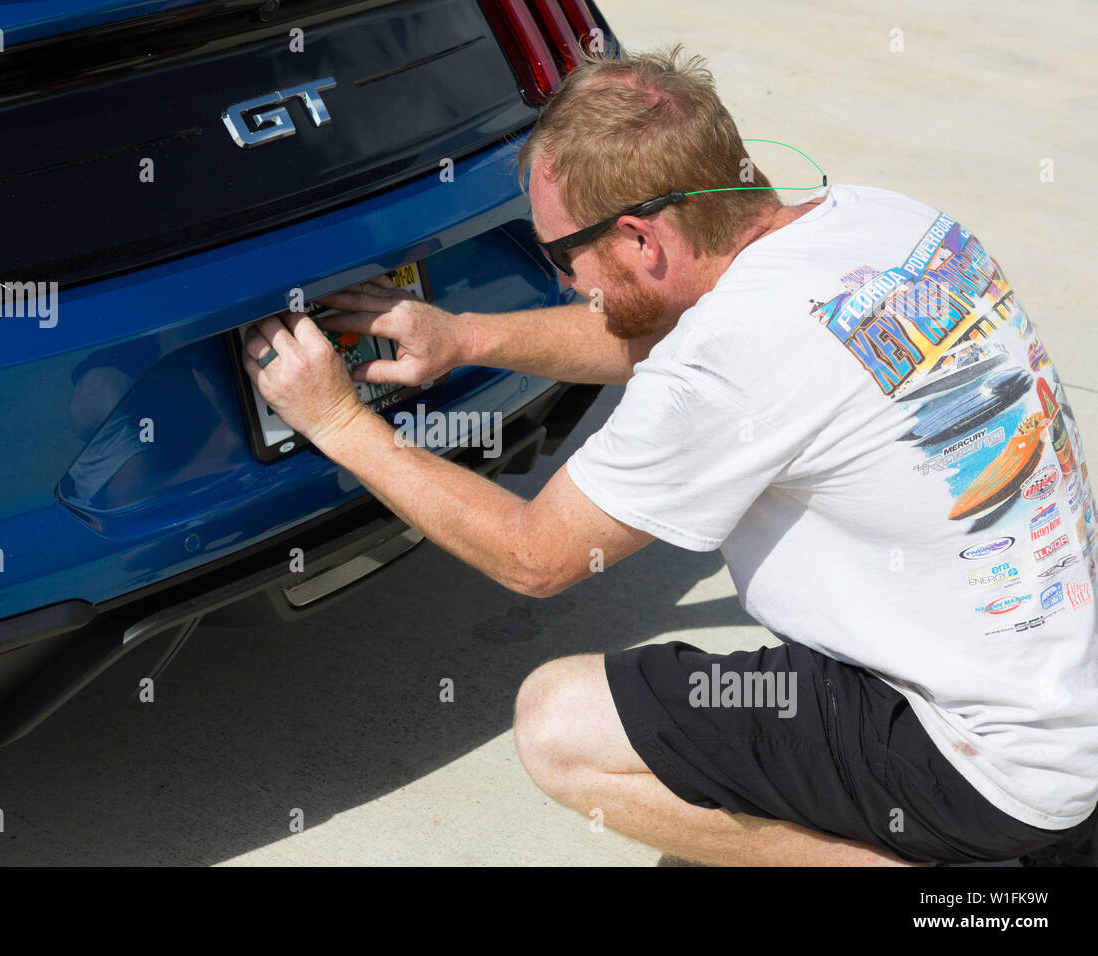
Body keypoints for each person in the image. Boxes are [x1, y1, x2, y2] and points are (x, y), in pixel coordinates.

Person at [240, 45, 1098, 866]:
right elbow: (659, 330)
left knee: (562, 726)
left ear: (643, 241)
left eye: (565, 253)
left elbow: (533, 557)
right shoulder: (882, 222)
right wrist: (463, 336)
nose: (569, 280)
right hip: (1061, 689)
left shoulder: (731, 357)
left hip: (978, 765)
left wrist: (341, 423)